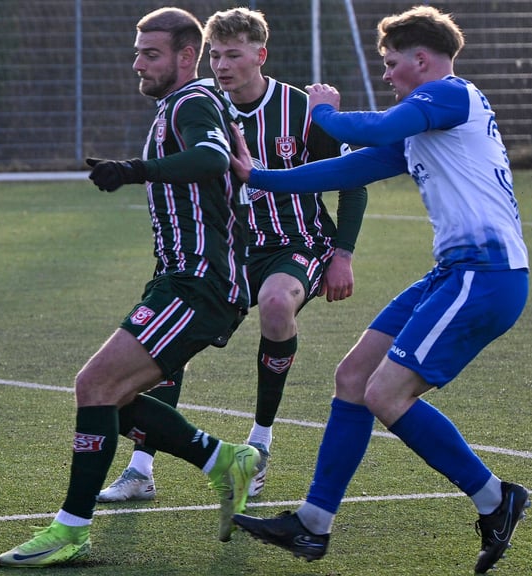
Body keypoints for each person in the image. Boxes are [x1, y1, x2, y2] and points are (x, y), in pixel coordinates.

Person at [227, 6, 530, 574]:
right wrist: (258, 177)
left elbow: (371, 128)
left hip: (485, 276)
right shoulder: (424, 122)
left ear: (422, 60)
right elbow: (347, 170)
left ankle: (495, 497)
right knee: (353, 377)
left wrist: (323, 109)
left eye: (391, 64)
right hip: (454, 273)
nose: (387, 74)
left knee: (385, 396)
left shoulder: (452, 94)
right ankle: (313, 524)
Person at [0, 7, 260, 568]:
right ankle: (223, 462)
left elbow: (212, 157)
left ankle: (71, 531)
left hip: (199, 284)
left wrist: (135, 169)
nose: (139, 63)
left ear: (186, 56)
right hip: (181, 279)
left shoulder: (191, 101)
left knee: (94, 385)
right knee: (110, 397)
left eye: (152, 53)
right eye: (137, 52)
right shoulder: (180, 104)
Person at [97, 6, 368, 504]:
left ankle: (258, 445)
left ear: (259, 55)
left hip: (295, 243)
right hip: (225, 252)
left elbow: (352, 182)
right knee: (166, 338)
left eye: (234, 55)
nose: (221, 65)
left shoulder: (300, 108)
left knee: (277, 303)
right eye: (215, 54)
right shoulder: (201, 104)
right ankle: (140, 468)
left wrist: (343, 255)